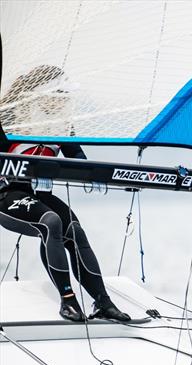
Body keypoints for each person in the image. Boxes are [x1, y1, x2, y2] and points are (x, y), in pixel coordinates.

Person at [0, 65, 130, 322]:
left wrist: (99, 173)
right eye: (60, 96)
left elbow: (79, 160)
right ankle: (68, 302)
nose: (65, 102)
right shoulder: (7, 121)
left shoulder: (60, 126)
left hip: (38, 196)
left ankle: (103, 303)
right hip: (6, 196)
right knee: (51, 222)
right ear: (41, 96)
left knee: (74, 230)